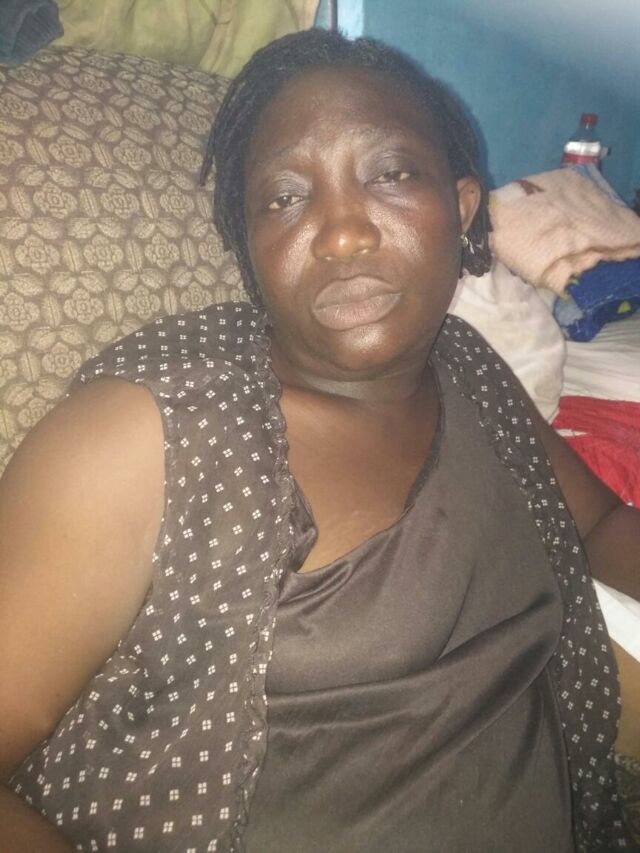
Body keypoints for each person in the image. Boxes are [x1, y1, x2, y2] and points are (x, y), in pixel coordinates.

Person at [0, 28, 638, 853]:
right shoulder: (146, 435)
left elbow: (595, 522)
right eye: (285, 197)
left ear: (461, 209)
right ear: (249, 243)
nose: (341, 234)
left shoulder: (467, 367)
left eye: (390, 173)